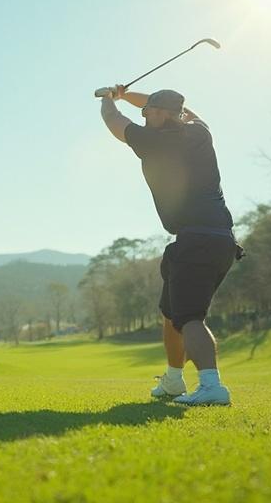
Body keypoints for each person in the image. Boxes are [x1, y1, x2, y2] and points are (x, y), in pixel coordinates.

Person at [99, 87, 242, 406]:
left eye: (148, 111)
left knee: (189, 316)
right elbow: (183, 111)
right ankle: (174, 380)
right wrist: (127, 95)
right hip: (219, 240)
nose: (145, 115)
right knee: (171, 312)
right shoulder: (200, 132)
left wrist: (108, 98)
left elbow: (113, 121)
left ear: (162, 113)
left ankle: (211, 386)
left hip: (197, 241)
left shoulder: (155, 140)